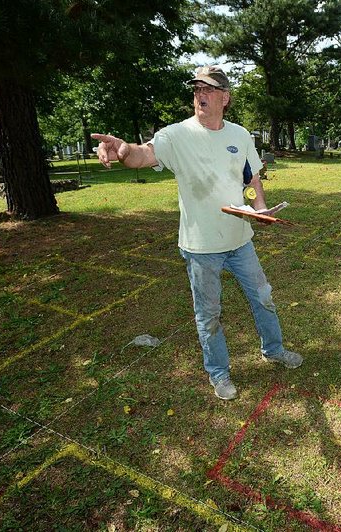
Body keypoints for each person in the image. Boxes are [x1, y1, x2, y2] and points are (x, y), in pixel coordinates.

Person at [91, 65, 302, 401]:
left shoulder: (239, 134)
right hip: (201, 247)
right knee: (209, 314)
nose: (201, 95)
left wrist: (259, 208)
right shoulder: (175, 135)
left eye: (209, 89)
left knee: (264, 297)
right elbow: (142, 155)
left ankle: (273, 350)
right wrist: (124, 149)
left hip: (240, 240)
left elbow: (252, 178)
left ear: (225, 98)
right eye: (196, 90)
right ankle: (218, 374)